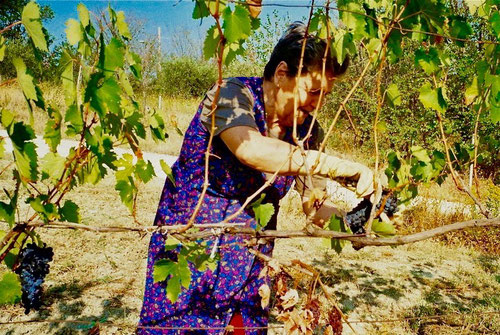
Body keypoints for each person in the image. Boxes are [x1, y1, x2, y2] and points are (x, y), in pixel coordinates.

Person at [137, 22, 375, 335]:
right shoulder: (231, 95)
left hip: (249, 263)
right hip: (190, 254)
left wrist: (357, 219)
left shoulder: (307, 132)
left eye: (325, 94)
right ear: (281, 74)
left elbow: (313, 207)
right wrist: (338, 165)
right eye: (313, 91)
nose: (318, 102)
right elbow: (251, 149)